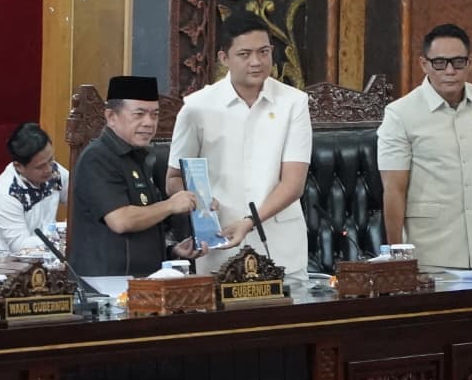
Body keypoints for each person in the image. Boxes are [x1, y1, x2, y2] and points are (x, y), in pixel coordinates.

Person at [165, 15, 312, 291]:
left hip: (281, 247)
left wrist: (249, 222)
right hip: (219, 243)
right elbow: (173, 179)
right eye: (245, 54)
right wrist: (199, 203)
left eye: (264, 52)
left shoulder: (294, 103)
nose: (256, 62)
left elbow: (293, 184)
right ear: (224, 58)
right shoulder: (197, 107)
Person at [377, 23, 472, 271]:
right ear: (424, 64)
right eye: (440, 63)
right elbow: (394, 189)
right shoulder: (400, 114)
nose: (450, 71)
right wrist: (398, 257)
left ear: (470, 63)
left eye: (458, 62)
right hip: (431, 254)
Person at [68, 75, 205, 277]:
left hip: (144, 281)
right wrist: (170, 205)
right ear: (111, 116)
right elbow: (121, 220)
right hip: (106, 285)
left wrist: (173, 251)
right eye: (139, 114)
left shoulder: (140, 157)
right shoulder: (98, 158)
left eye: (155, 115)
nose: (149, 123)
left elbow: (144, 224)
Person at [0, 122, 70, 255]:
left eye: (51, 160)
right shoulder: (6, 194)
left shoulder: (54, 171)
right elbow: (21, 247)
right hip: (9, 263)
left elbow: (81, 199)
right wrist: (60, 240)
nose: (49, 169)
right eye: (40, 167)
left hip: (49, 257)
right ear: (18, 166)